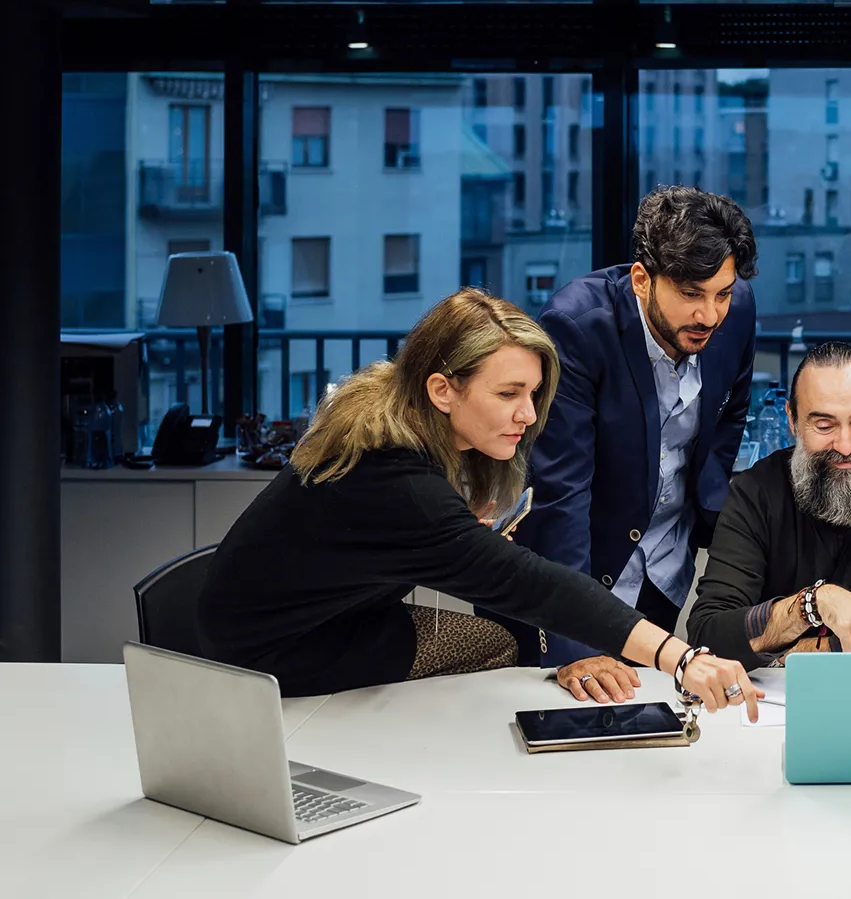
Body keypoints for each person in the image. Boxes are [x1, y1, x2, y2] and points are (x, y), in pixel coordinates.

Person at [196, 289, 759, 717]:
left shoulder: (389, 415)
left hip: (318, 617)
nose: (529, 415)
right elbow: (540, 587)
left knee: (514, 641)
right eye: (509, 394)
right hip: (275, 660)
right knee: (511, 641)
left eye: (534, 394)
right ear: (443, 389)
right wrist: (684, 658)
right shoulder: (398, 482)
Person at [516, 186, 758, 702]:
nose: (710, 315)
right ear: (642, 279)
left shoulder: (736, 313)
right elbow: (560, 493)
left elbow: (731, 410)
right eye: (692, 294)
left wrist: (709, 507)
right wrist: (572, 641)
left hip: (665, 571)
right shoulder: (575, 327)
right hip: (577, 575)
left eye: (723, 293)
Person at [687, 341, 851, 665]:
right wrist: (810, 605)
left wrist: (808, 654)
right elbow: (708, 634)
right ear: (792, 419)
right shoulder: (755, 490)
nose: (845, 446)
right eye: (824, 425)